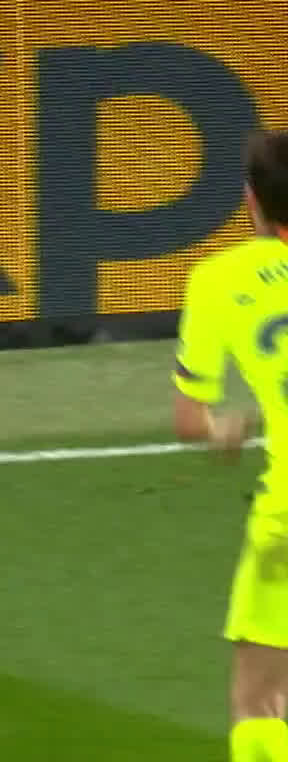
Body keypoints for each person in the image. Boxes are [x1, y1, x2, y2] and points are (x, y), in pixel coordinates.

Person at [171, 130, 288, 761]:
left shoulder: (219, 279)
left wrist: (226, 428)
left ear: (251, 200)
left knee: (261, 700)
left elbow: (191, 420)